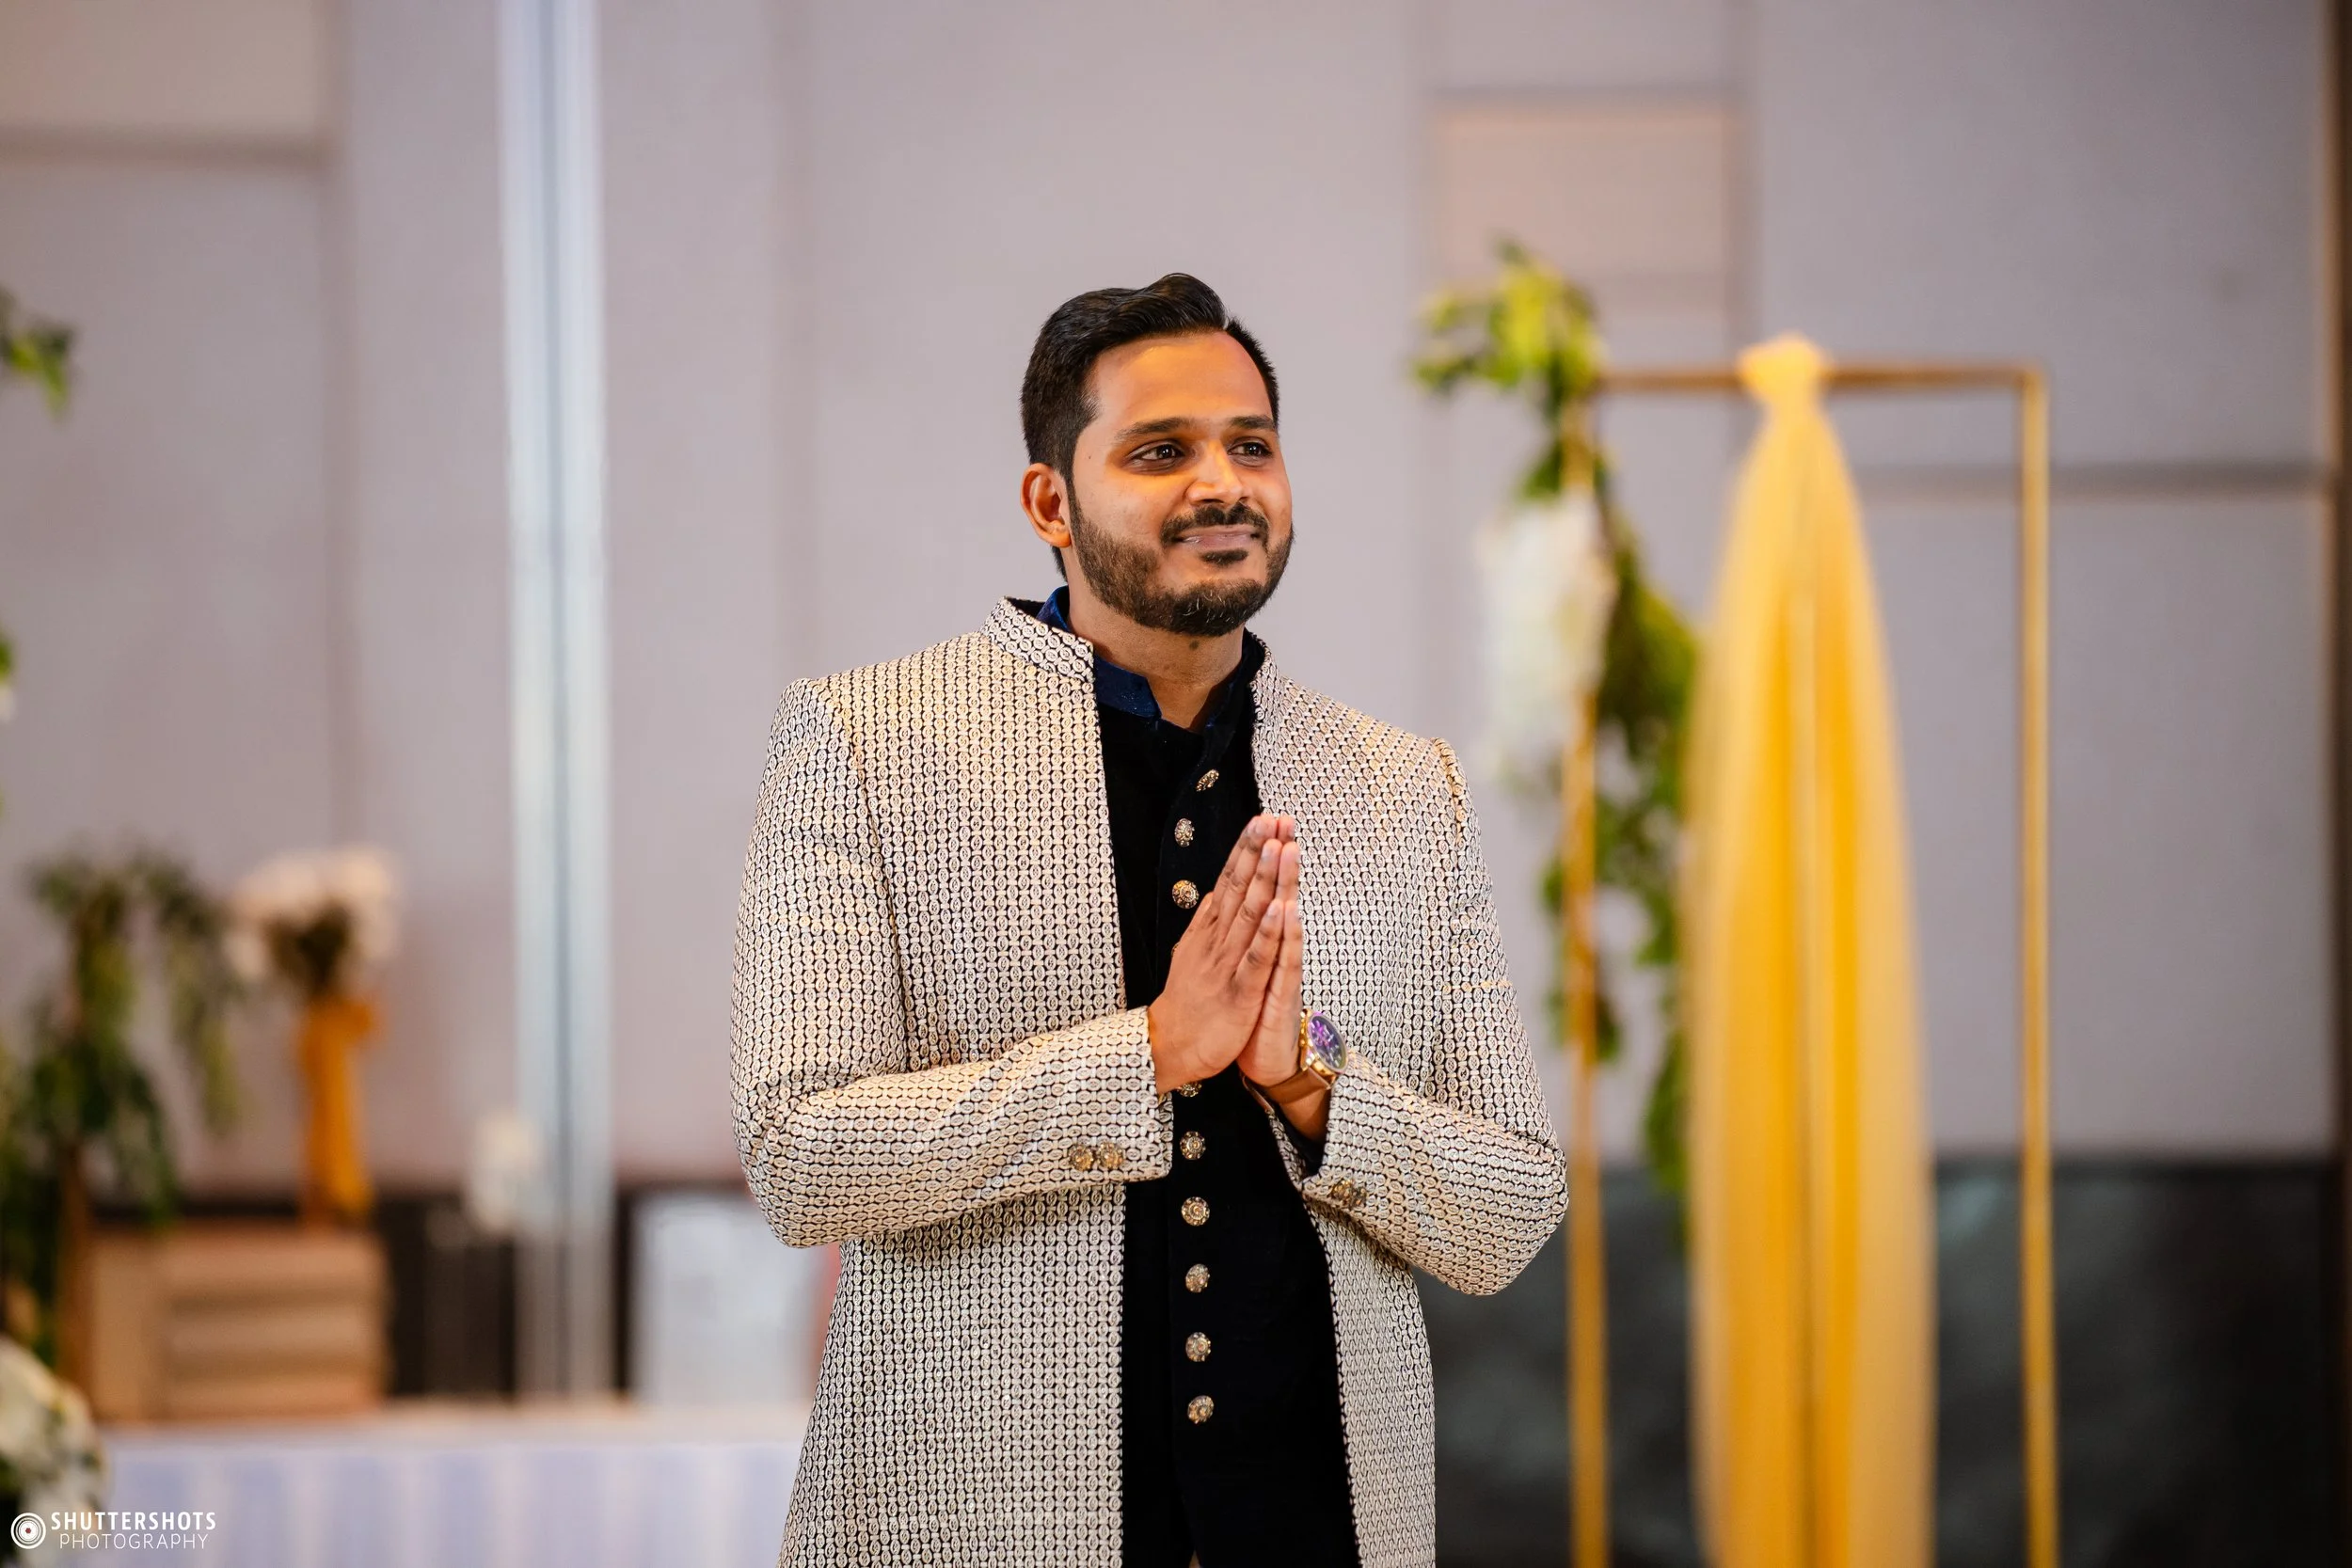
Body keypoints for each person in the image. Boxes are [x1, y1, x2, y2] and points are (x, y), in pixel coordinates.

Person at [731, 273, 1566, 1568]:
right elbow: (797, 1153)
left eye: (1252, 444)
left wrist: (1308, 1077)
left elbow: (1513, 1204)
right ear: (1049, 502)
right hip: (979, 1529)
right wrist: (1147, 1053)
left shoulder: (1402, 788)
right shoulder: (867, 743)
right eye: (1160, 450)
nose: (1221, 483)